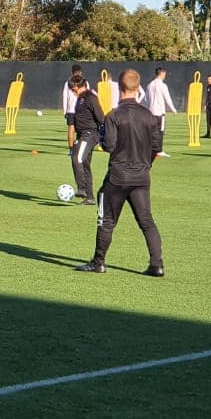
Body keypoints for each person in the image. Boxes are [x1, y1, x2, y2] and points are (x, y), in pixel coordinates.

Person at [76, 69, 165, 277]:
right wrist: (145, 165)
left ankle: (98, 262)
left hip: (118, 176)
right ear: (138, 88)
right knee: (146, 221)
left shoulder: (113, 116)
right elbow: (156, 148)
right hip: (141, 176)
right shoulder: (150, 116)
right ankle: (157, 264)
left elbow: (109, 145)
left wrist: (102, 138)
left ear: (120, 88)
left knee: (106, 220)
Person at [68, 75, 104, 205]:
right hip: (82, 135)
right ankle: (90, 197)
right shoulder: (80, 99)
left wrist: (102, 135)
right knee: (84, 164)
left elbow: (101, 117)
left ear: (77, 86)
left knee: (76, 157)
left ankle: (82, 188)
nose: (72, 91)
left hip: (89, 134)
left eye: (73, 88)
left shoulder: (90, 97)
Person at [144, 67, 177, 157]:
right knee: (160, 131)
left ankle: (150, 150)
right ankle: (159, 150)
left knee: (152, 132)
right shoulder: (162, 85)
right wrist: (173, 109)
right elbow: (167, 98)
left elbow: (146, 99)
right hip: (159, 112)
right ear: (162, 74)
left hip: (151, 112)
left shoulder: (150, 85)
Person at [62, 64, 83, 149]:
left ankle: (71, 148)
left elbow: (65, 96)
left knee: (71, 127)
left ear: (72, 72)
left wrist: (65, 111)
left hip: (71, 109)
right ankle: (80, 147)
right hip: (82, 109)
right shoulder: (84, 82)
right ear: (80, 72)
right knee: (82, 128)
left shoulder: (67, 83)